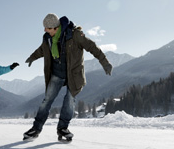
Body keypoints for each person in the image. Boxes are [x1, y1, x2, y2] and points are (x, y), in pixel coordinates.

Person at [23, 13, 112, 141]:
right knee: (46, 100)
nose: (45, 30)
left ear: (55, 27)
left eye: (47, 28)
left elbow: (92, 47)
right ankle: (36, 129)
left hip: (73, 75)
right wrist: (32, 57)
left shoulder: (74, 34)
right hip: (56, 73)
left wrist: (105, 62)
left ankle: (62, 129)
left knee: (69, 101)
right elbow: (42, 50)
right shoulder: (47, 38)